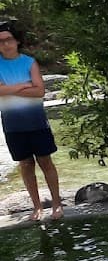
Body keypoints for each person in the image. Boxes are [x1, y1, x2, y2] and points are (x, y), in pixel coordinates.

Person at [0, 21, 62, 221]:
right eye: (0, 41)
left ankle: (57, 204)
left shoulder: (29, 62)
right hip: (12, 125)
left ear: (17, 41)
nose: (5, 44)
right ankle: (36, 208)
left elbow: (40, 91)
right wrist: (24, 86)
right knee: (25, 165)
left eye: (8, 39)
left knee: (45, 161)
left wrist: (10, 89)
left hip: (36, 122)